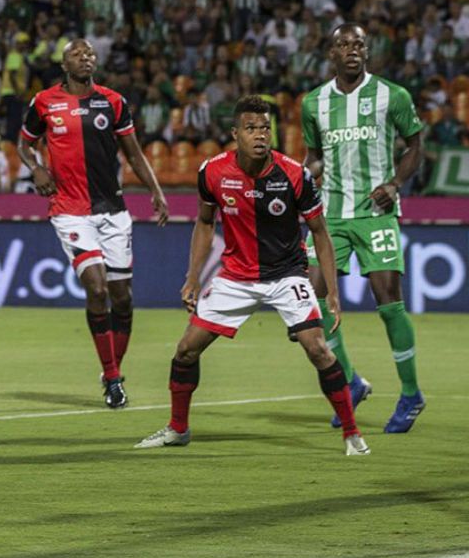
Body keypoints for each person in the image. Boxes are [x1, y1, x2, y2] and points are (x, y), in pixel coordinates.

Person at [137, 95, 366, 455]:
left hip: (287, 275)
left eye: (265, 128)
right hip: (235, 278)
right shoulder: (212, 171)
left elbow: (320, 232)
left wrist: (333, 292)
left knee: (319, 350)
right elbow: (204, 222)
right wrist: (193, 277)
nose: (260, 135)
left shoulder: (294, 174)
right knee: (185, 351)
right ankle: (178, 429)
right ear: (235, 134)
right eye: (251, 128)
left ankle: (352, 435)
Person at [18, 38, 169, 410]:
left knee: (123, 298)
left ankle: (111, 370)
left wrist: (156, 191)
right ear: (64, 63)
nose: (86, 58)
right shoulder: (44, 102)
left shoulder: (113, 102)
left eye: (90, 54)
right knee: (97, 289)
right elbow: (24, 144)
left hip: (113, 210)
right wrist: (37, 168)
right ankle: (114, 377)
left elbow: (133, 152)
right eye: (77, 54)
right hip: (70, 210)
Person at [300, 22, 427, 434]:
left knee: (388, 301)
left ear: (367, 53)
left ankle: (411, 394)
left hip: (376, 212)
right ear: (331, 54)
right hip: (330, 215)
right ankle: (350, 381)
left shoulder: (393, 95)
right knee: (312, 304)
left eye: (359, 45)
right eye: (343, 45)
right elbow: (315, 156)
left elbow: (415, 146)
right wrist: (306, 173)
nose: (352, 50)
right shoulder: (313, 103)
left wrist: (393, 184)